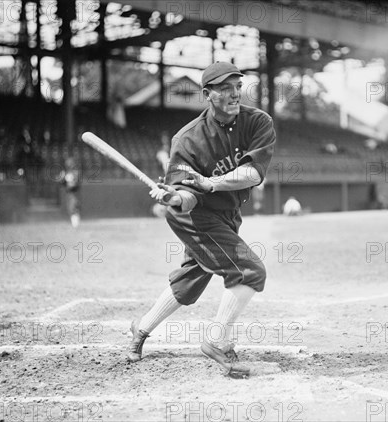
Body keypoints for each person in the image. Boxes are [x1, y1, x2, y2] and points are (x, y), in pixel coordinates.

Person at [127, 62, 276, 379]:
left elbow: (252, 174)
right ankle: (216, 341)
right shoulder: (187, 140)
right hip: (194, 216)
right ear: (207, 94)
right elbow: (187, 196)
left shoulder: (258, 122)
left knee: (192, 278)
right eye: (225, 88)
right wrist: (175, 197)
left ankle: (140, 329)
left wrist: (213, 183)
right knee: (249, 270)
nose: (234, 93)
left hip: (226, 211)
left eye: (237, 86)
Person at [60, 157, 81, 228]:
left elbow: (77, 183)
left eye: (70, 163)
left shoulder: (75, 172)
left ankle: (75, 224)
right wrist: (62, 179)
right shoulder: (65, 173)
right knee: (70, 208)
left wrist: (72, 185)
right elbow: (62, 183)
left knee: (73, 207)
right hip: (68, 193)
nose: (68, 165)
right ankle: (74, 223)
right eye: (67, 163)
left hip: (74, 192)